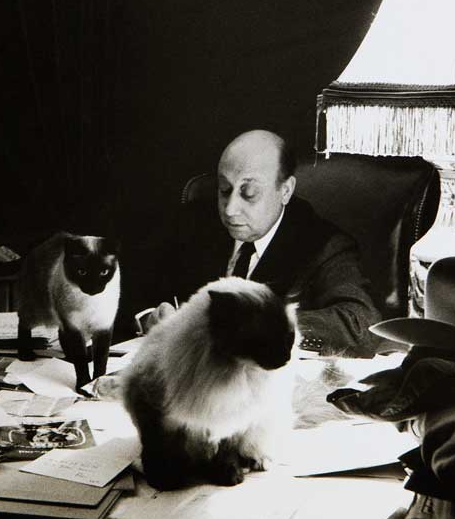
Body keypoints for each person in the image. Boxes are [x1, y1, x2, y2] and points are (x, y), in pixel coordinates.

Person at [142, 130, 381, 357]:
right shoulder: (194, 223)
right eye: (224, 190)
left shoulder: (325, 245)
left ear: (285, 191)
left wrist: (260, 324)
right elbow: (142, 290)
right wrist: (151, 316)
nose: (230, 209)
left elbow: (359, 325)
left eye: (249, 194)